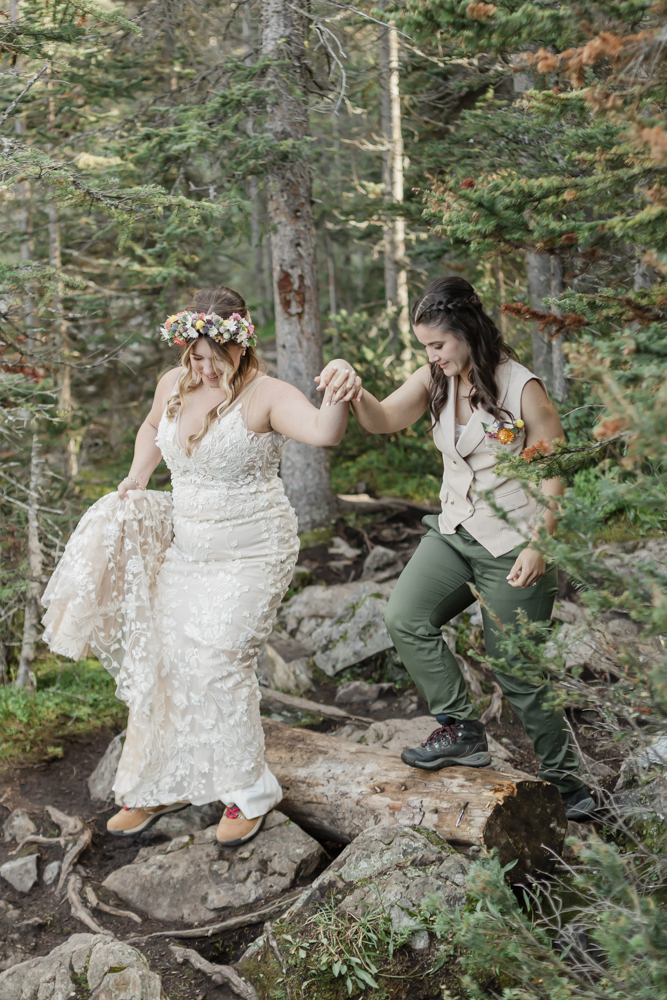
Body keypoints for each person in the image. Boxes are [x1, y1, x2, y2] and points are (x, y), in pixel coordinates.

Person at [41, 285, 361, 844]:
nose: (204, 368)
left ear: (241, 346)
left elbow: (324, 432)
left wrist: (338, 378)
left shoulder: (267, 394)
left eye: (215, 357)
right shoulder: (174, 383)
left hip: (253, 551)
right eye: (195, 356)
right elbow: (150, 429)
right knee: (164, 662)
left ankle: (247, 792)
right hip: (187, 551)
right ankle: (161, 784)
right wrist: (138, 475)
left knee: (217, 662)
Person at [317, 276, 593, 821]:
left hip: (516, 542)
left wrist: (542, 545)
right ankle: (463, 730)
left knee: (517, 671)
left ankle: (568, 784)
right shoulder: (434, 378)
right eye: (424, 347)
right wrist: (355, 391)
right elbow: (384, 420)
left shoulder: (521, 386)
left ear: (467, 331)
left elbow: (556, 472)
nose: (431, 355)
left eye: (437, 344)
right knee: (405, 616)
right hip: (455, 529)